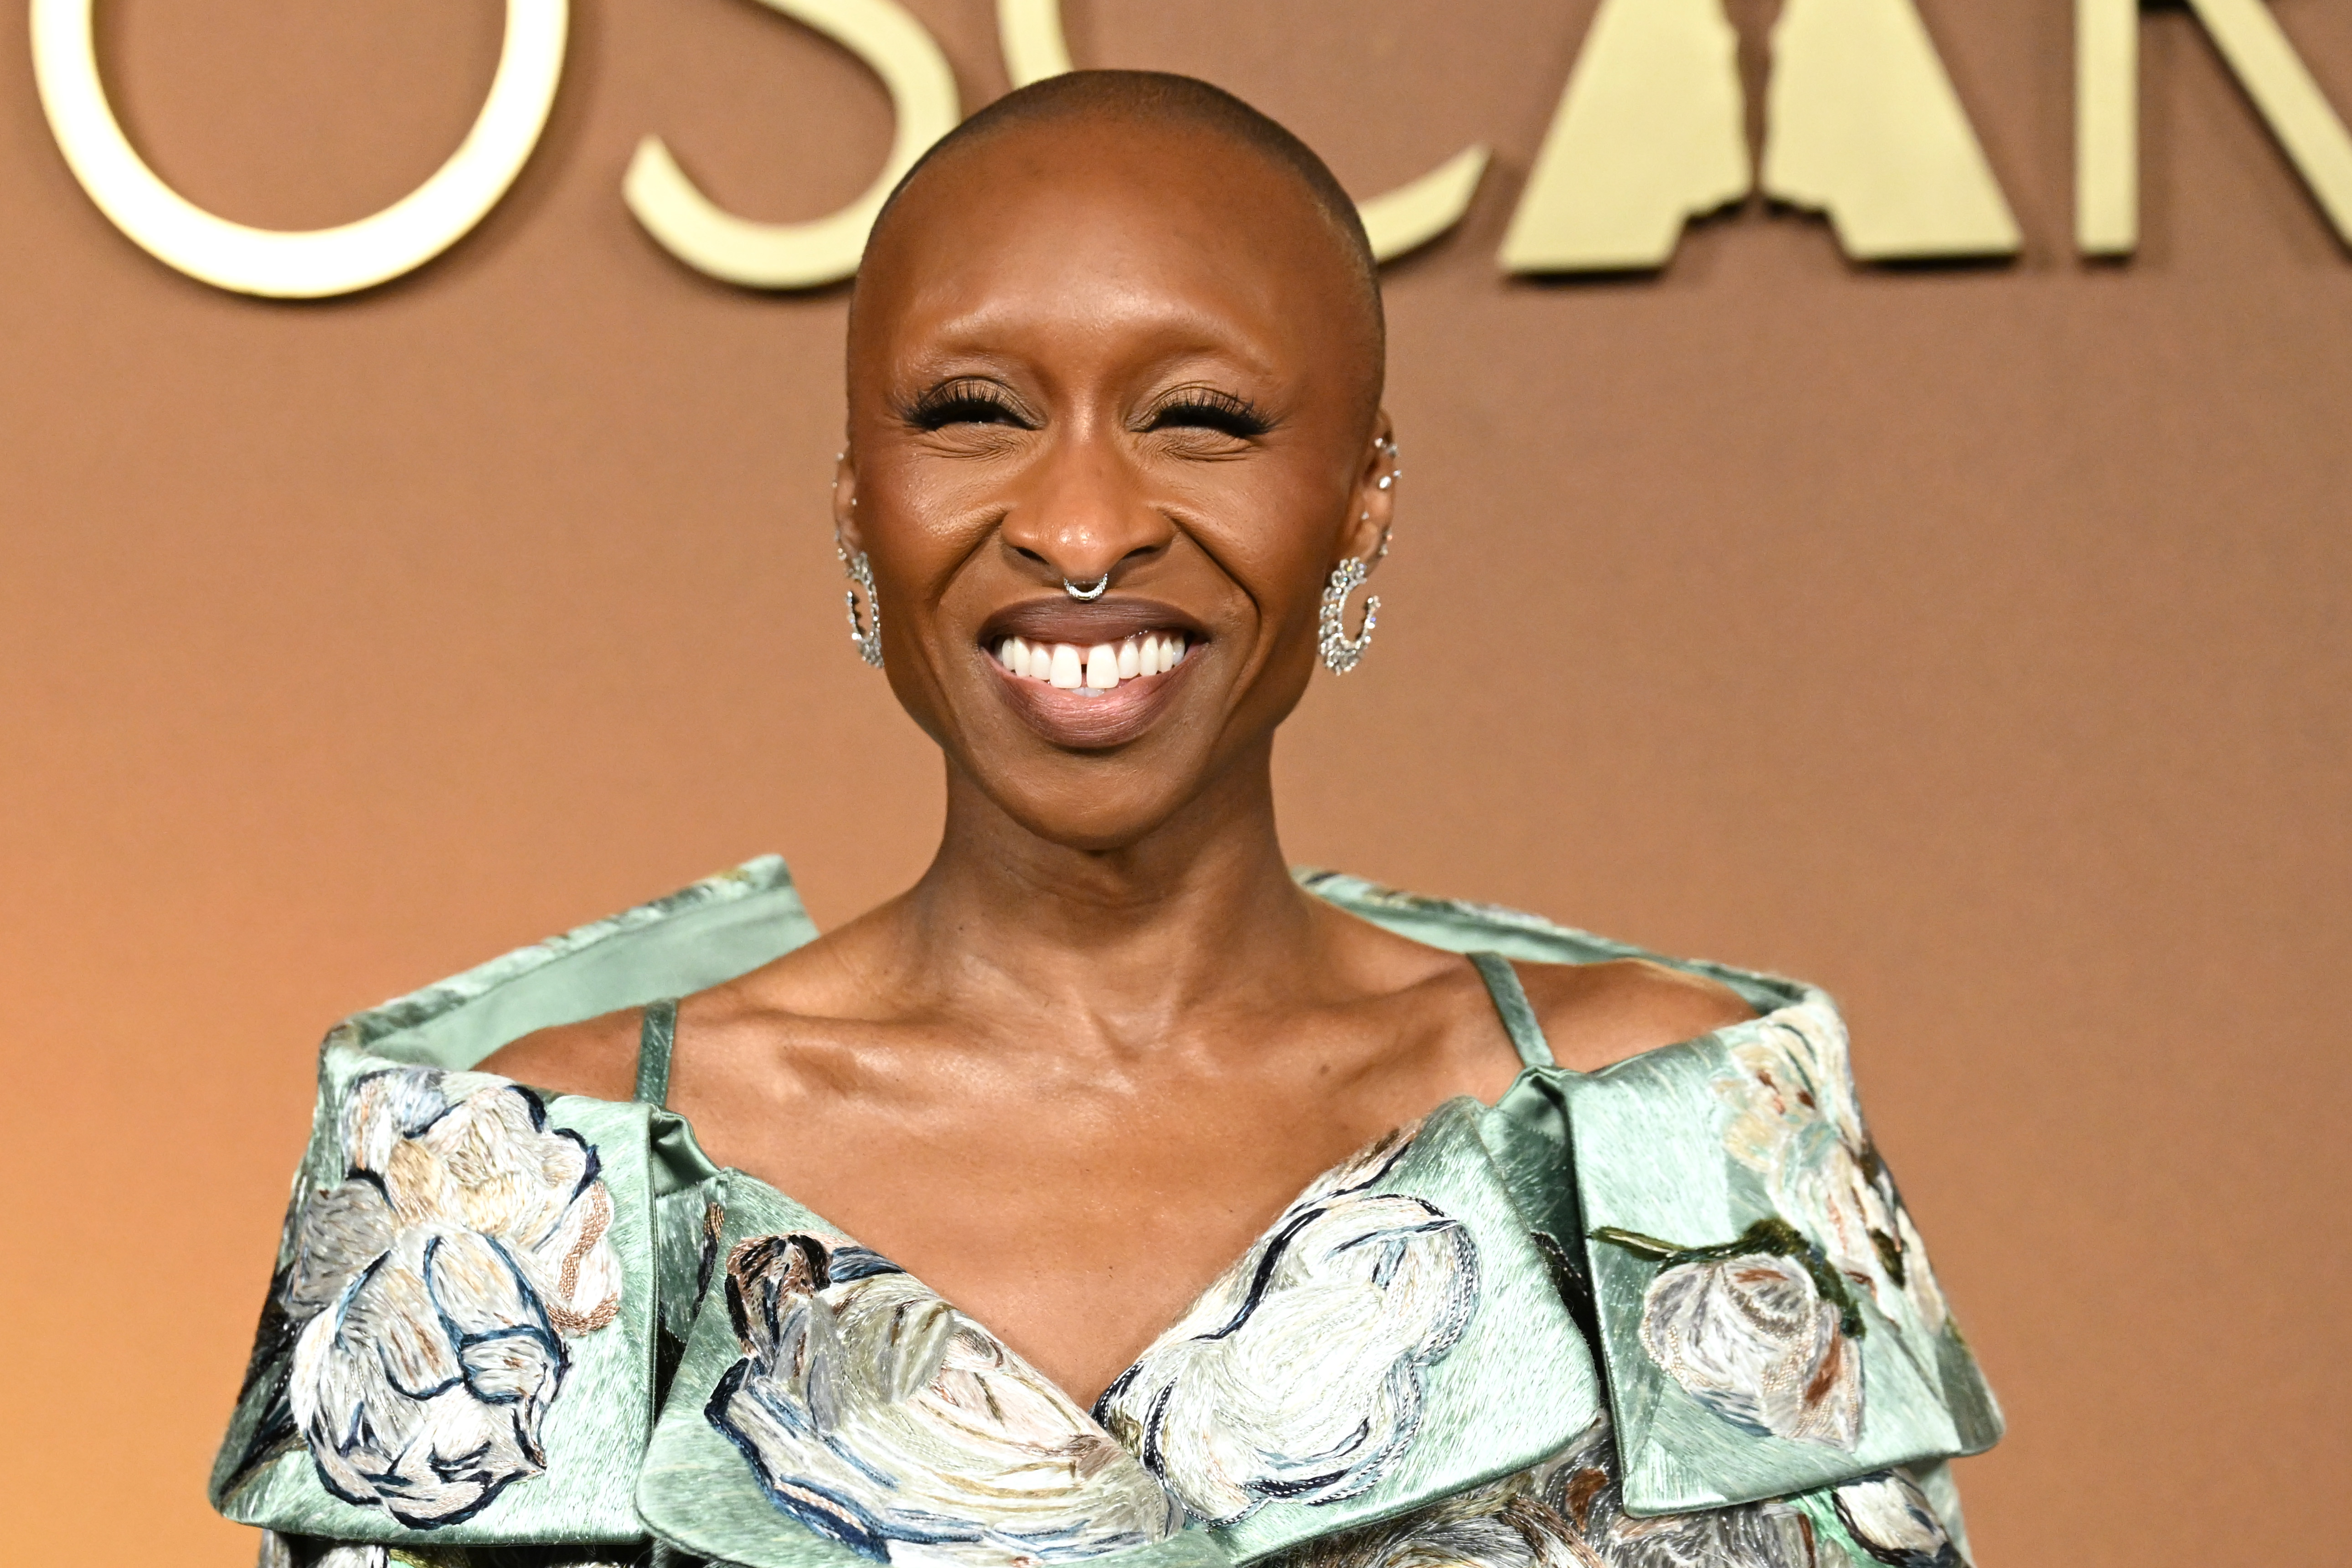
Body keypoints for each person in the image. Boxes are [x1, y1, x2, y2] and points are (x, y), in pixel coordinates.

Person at [210, 71, 1998, 1568]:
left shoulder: (1664, 1119)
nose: (1079, 525)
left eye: (1200, 418)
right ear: (857, 492)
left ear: (1365, 492)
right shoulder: (522, 1168)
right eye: (972, 413)